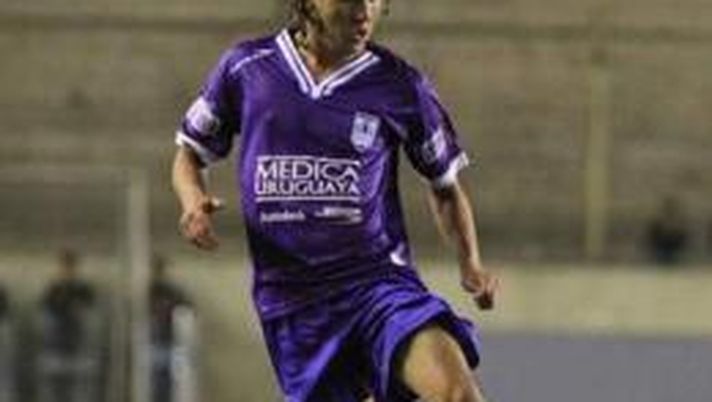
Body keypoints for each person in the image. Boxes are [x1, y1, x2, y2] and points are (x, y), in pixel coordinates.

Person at [171, 1, 499, 401]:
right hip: (294, 304)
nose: (364, 10)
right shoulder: (246, 69)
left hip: (378, 285)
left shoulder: (400, 85)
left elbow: (444, 186)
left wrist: (471, 264)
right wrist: (192, 201)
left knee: (458, 394)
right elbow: (190, 153)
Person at [148, 254, 196, 402]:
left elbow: (188, 307)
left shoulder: (172, 292)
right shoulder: (150, 291)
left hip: (170, 343)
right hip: (155, 343)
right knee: (156, 382)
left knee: (169, 382)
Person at [645, 196, 689, 265]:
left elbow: (681, 234)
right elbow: (654, 234)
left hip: (673, 245)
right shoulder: (659, 221)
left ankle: (671, 257)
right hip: (662, 245)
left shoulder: (678, 221)